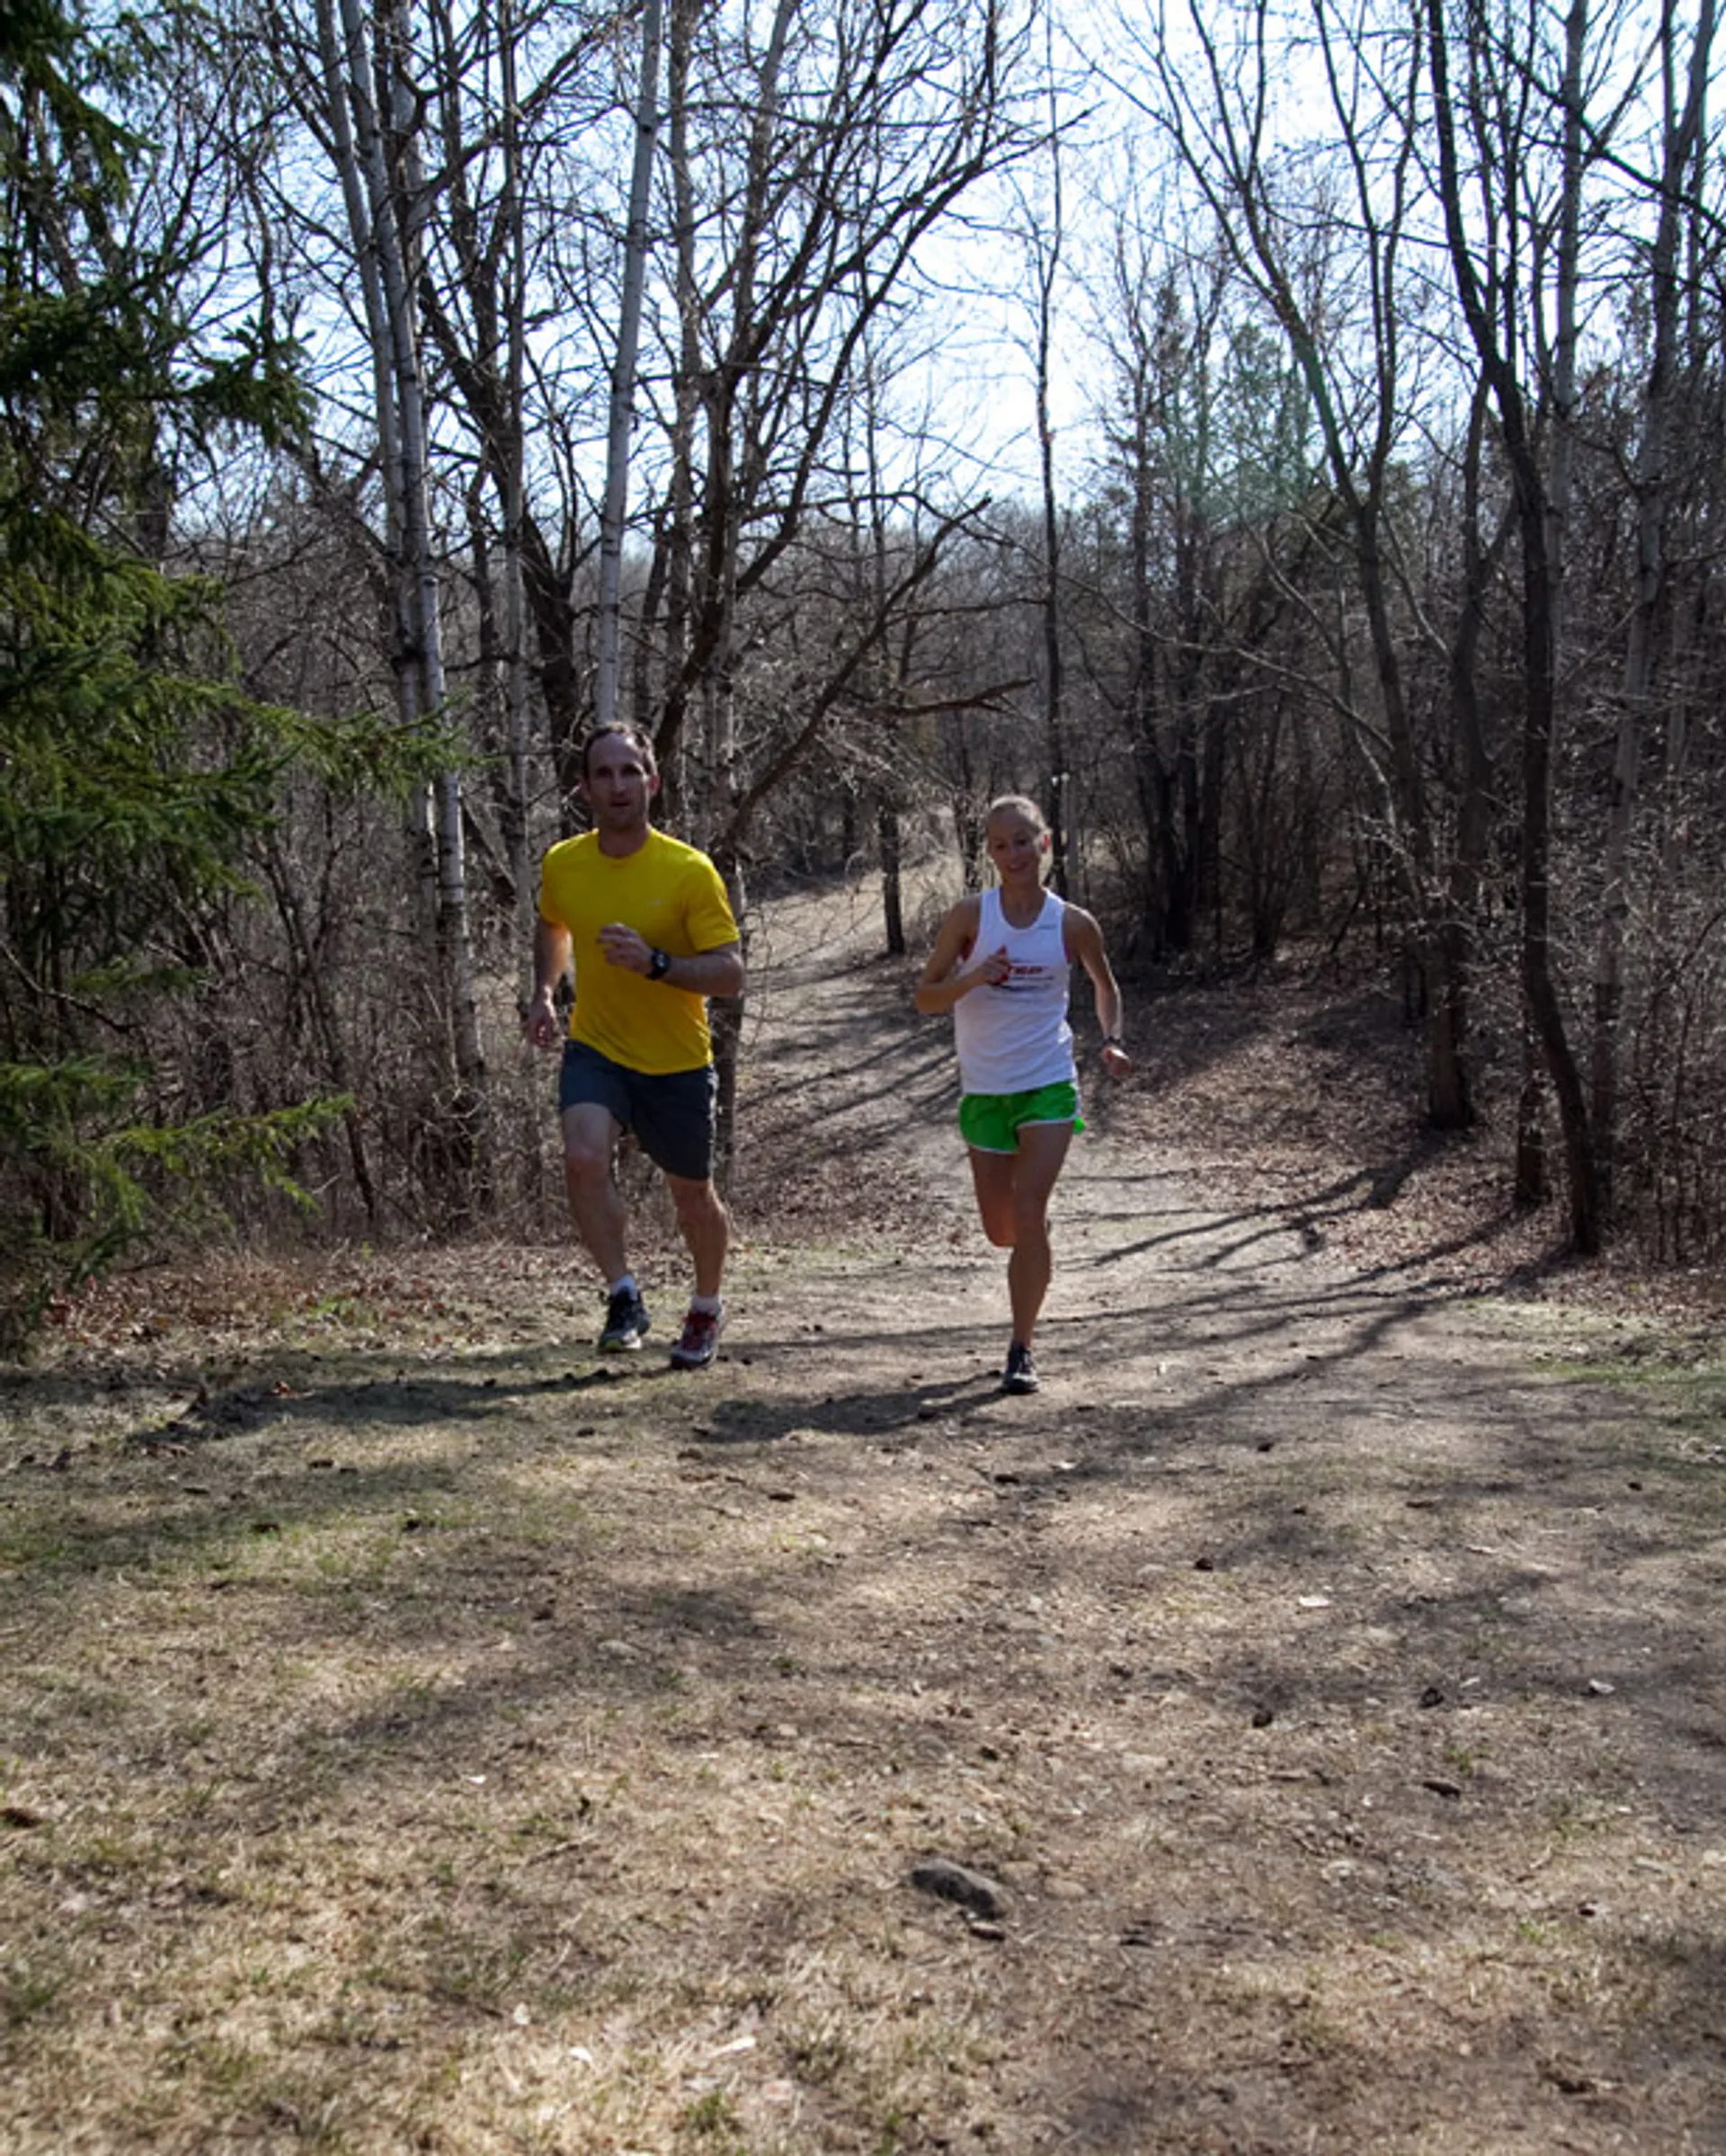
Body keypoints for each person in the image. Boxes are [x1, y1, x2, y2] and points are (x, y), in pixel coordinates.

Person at [524, 723, 744, 1369]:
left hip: (676, 1059)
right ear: (584, 788)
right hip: (597, 1047)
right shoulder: (565, 863)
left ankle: (705, 1306)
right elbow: (552, 922)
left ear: (652, 782)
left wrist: (656, 964)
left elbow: (730, 973)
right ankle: (624, 1295)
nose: (618, 785)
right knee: (583, 1158)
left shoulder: (687, 871)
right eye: (604, 774)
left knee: (690, 1196)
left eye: (629, 772)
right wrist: (543, 991)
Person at [915, 795, 1131, 1394]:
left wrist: (1110, 1040)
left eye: (1023, 841)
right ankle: (1028, 1249)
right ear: (989, 852)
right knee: (1002, 1229)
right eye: (1000, 844)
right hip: (985, 1089)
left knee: (1031, 1214)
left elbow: (1105, 989)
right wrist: (973, 977)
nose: (1013, 854)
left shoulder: (1071, 923)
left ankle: (1021, 1347)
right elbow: (924, 997)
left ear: (1045, 843)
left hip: (1048, 1083)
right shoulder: (968, 917)